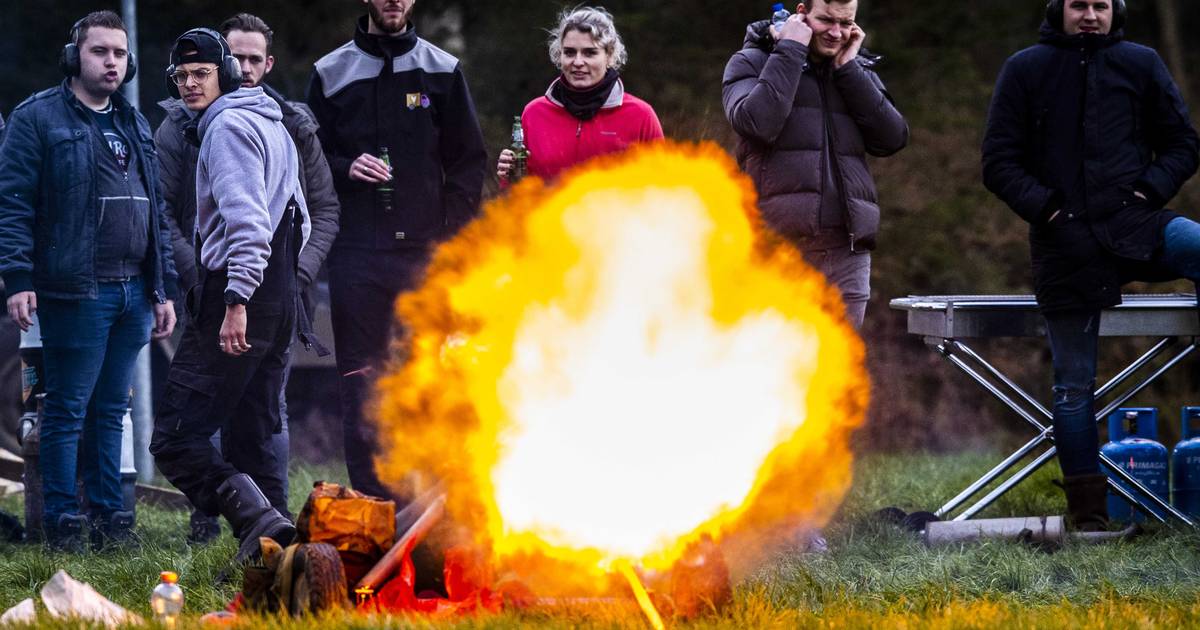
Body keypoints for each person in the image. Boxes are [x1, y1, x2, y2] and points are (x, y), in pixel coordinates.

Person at [983, 0, 1200, 529]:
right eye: (1079, 5)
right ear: (1057, 10)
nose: (1089, 16)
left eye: (1100, 5)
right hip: (1065, 243)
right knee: (1073, 385)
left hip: (1135, 222)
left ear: (1114, 10)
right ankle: (1089, 518)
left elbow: (1183, 145)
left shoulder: (1141, 61)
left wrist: (1148, 190)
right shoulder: (1024, 68)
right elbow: (998, 163)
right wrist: (1048, 207)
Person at [154, 12, 340, 545]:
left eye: (201, 73)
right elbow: (298, 217)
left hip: (237, 297)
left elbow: (250, 223)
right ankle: (272, 553)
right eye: (182, 75)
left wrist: (236, 298)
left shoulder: (227, 127)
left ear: (227, 76)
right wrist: (277, 289)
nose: (190, 84)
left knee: (175, 438)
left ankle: (257, 524)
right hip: (276, 297)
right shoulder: (270, 120)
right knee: (253, 433)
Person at [0, 11, 178, 550]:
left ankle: (110, 523)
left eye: (120, 54)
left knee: (112, 410)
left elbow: (156, 211)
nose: (112, 62)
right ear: (75, 55)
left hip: (133, 291)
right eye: (100, 51)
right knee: (66, 408)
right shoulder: (38, 119)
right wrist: (18, 278)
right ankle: (62, 523)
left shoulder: (133, 121)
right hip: (76, 290)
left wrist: (161, 286)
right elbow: (12, 204)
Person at [308, 0, 487, 502]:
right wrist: (346, 168)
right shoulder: (330, 71)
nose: (394, 1)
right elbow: (309, 157)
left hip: (425, 257)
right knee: (361, 384)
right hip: (357, 256)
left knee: (431, 380)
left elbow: (468, 162)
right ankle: (372, 505)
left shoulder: (443, 69)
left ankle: (435, 504)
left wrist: (450, 241)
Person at [722, 0, 908, 328]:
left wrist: (849, 71)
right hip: (778, 251)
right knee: (776, 371)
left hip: (846, 252)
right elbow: (757, 123)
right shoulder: (750, 61)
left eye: (846, 23)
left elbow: (891, 138)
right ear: (801, 12)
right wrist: (791, 50)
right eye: (826, 20)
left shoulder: (854, 70)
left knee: (842, 373)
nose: (836, 33)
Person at [495, 7, 663, 183]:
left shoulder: (640, 116)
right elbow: (519, 194)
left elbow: (662, 189)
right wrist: (509, 176)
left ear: (610, 56)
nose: (578, 62)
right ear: (559, 55)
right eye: (569, 52)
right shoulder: (534, 113)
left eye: (590, 53)